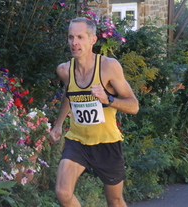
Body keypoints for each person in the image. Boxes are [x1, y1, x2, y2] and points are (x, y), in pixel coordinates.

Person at [49, 17, 139, 207]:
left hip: (107, 143)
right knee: (63, 192)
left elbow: (134, 105)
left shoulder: (109, 67)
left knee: (114, 201)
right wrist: (58, 125)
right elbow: (69, 94)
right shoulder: (64, 70)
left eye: (80, 37)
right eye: (71, 37)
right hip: (77, 141)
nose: (74, 43)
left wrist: (109, 100)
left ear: (92, 40)